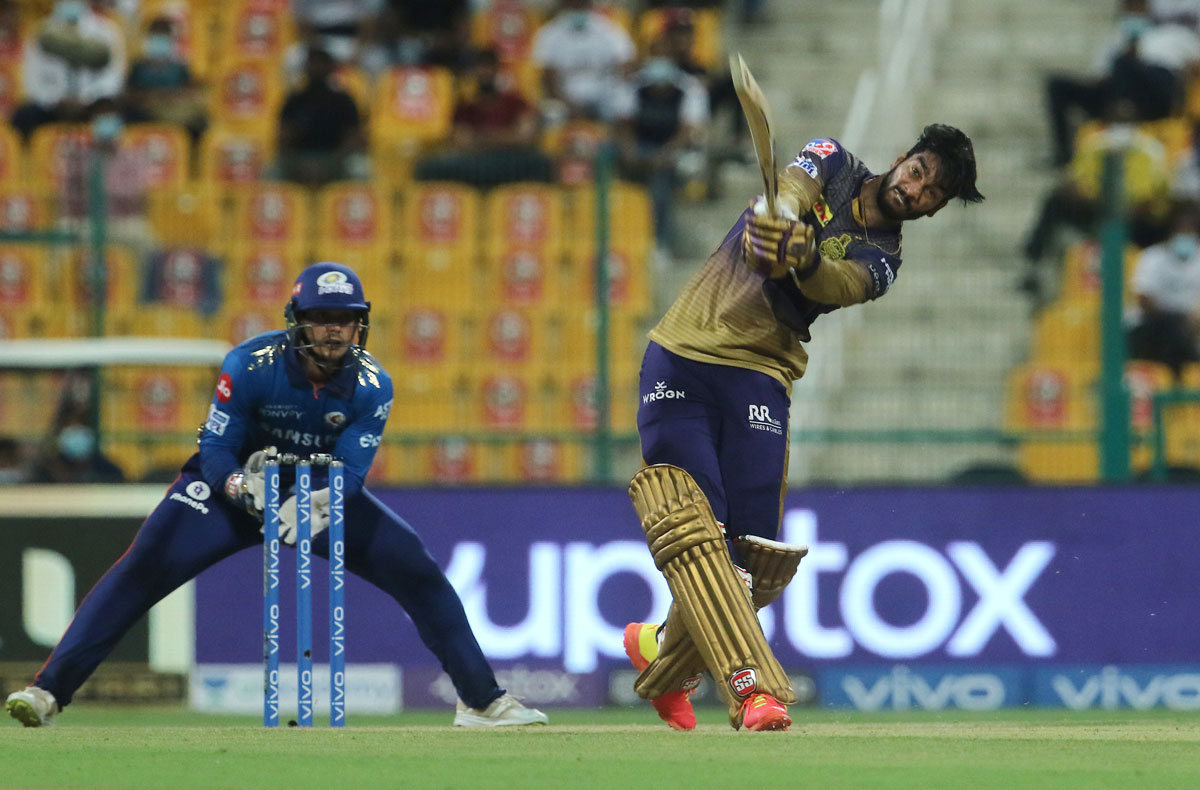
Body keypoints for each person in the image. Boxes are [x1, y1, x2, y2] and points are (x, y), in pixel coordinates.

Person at [5, 261, 548, 729]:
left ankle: (481, 702)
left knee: (418, 571)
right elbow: (216, 448)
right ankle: (49, 692)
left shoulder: (372, 383)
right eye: (322, 319)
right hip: (229, 492)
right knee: (140, 568)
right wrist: (241, 487)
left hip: (316, 496)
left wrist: (315, 503)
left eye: (346, 320)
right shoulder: (249, 364)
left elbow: (353, 470)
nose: (335, 332)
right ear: (297, 322)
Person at [622, 125, 984, 732]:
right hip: (685, 354)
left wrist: (804, 254)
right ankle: (754, 693)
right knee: (699, 530)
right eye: (919, 172)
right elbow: (791, 187)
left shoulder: (885, 260)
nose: (917, 191)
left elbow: (834, 284)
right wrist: (780, 219)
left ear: (938, 208)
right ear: (901, 160)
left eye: (933, 193)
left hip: (762, 376)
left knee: (753, 562)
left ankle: (661, 654)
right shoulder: (834, 161)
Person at [612, 46, 709, 254]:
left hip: (674, 151)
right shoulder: (635, 86)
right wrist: (630, 150)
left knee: (660, 182)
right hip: (643, 148)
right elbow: (624, 124)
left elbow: (687, 131)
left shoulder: (687, 89)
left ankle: (660, 240)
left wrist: (664, 155)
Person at [413, 48, 554, 187]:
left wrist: (481, 137)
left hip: (510, 160)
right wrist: (506, 136)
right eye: (480, 68)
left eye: (490, 67)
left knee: (541, 163)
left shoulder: (516, 102)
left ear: (498, 71)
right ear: (473, 72)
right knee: (429, 167)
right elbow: (462, 141)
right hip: (475, 162)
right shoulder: (464, 106)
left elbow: (525, 138)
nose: (485, 72)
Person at [11, 0, 126, 139]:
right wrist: (55, 100)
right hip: (52, 106)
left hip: (93, 105)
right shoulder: (41, 32)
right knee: (24, 117)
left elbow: (113, 78)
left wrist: (87, 99)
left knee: (118, 117)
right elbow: (31, 80)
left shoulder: (106, 31)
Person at [1127, 199, 1200, 376]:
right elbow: (1144, 299)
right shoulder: (1152, 257)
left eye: (1190, 231)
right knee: (1173, 330)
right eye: (1181, 230)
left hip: (1192, 326)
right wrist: (1179, 317)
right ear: (1171, 232)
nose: (1186, 235)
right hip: (1154, 325)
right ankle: (1175, 383)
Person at [531, 0, 636, 121]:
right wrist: (567, 103)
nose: (578, 10)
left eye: (582, 5)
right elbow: (547, 77)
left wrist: (618, 77)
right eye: (574, 5)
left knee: (624, 100)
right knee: (553, 111)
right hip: (566, 92)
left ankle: (618, 138)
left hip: (602, 89)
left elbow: (626, 61)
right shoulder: (549, 33)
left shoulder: (607, 29)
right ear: (565, 5)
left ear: (590, 5)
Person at [276, 48, 367, 186]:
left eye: (321, 63)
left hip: (335, 158)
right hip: (301, 158)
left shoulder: (343, 101)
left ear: (330, 68)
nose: (316, 68)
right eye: (312, 63)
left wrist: (329, 166)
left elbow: (354, 140)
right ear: (305, 68)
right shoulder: (294, 100)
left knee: (359, 171)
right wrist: (300, 166)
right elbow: (283, 140)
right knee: (273, 172)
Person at [123, 15, 207, 140]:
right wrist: (150, 98)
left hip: (172, 115)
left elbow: (188, 92)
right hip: (143, 116)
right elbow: (128, 94)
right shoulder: (138, 67)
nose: (160, 41)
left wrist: (168, 97)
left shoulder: (179, 68)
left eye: (164, 36)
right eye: (156, 35)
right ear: (148, 37)